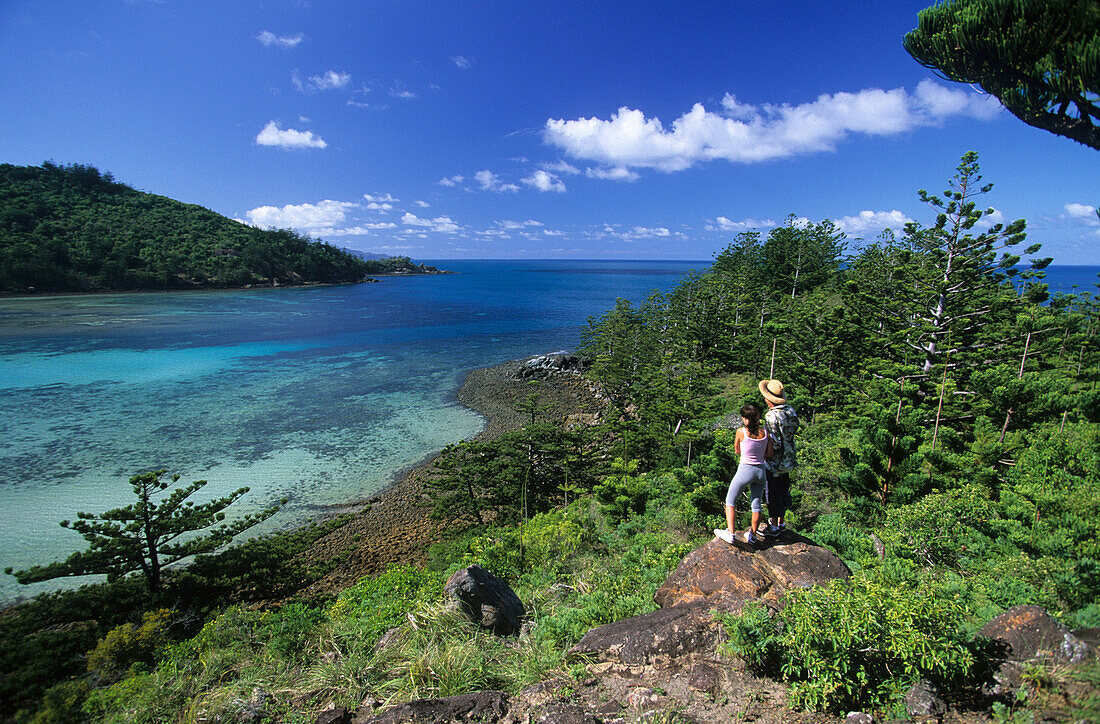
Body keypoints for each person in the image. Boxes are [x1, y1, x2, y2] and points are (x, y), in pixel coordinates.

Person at [714, 403, 773, 546]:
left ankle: (731, 533)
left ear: (746, 419)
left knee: (730, 500)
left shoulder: (742, 432)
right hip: (761, 470)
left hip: (745, 469)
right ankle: (752, 535)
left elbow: (737, 450)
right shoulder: (765, 432)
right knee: (756, 504)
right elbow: (769, 453)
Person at [759, 379, 798, 537]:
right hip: (789, 457)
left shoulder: (771, 416)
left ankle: (773, 526)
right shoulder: (790, 411)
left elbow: (774, 441)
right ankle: (781, 522)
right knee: (783, 490)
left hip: (775, 461)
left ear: (769, 399)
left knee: (773, 492)